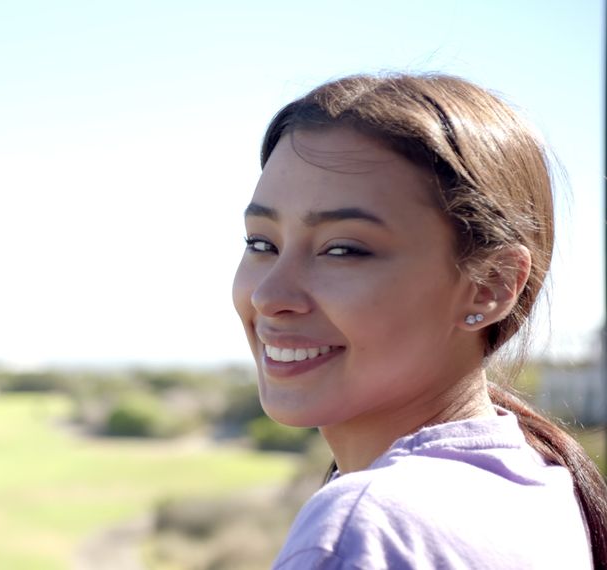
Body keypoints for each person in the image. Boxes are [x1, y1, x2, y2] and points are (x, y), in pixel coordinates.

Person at [231, 73, 607, 568]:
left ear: (490, 285)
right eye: (262, 244)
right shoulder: (543, 487)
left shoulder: (366, 529)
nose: (269, 295)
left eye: (343, 249)